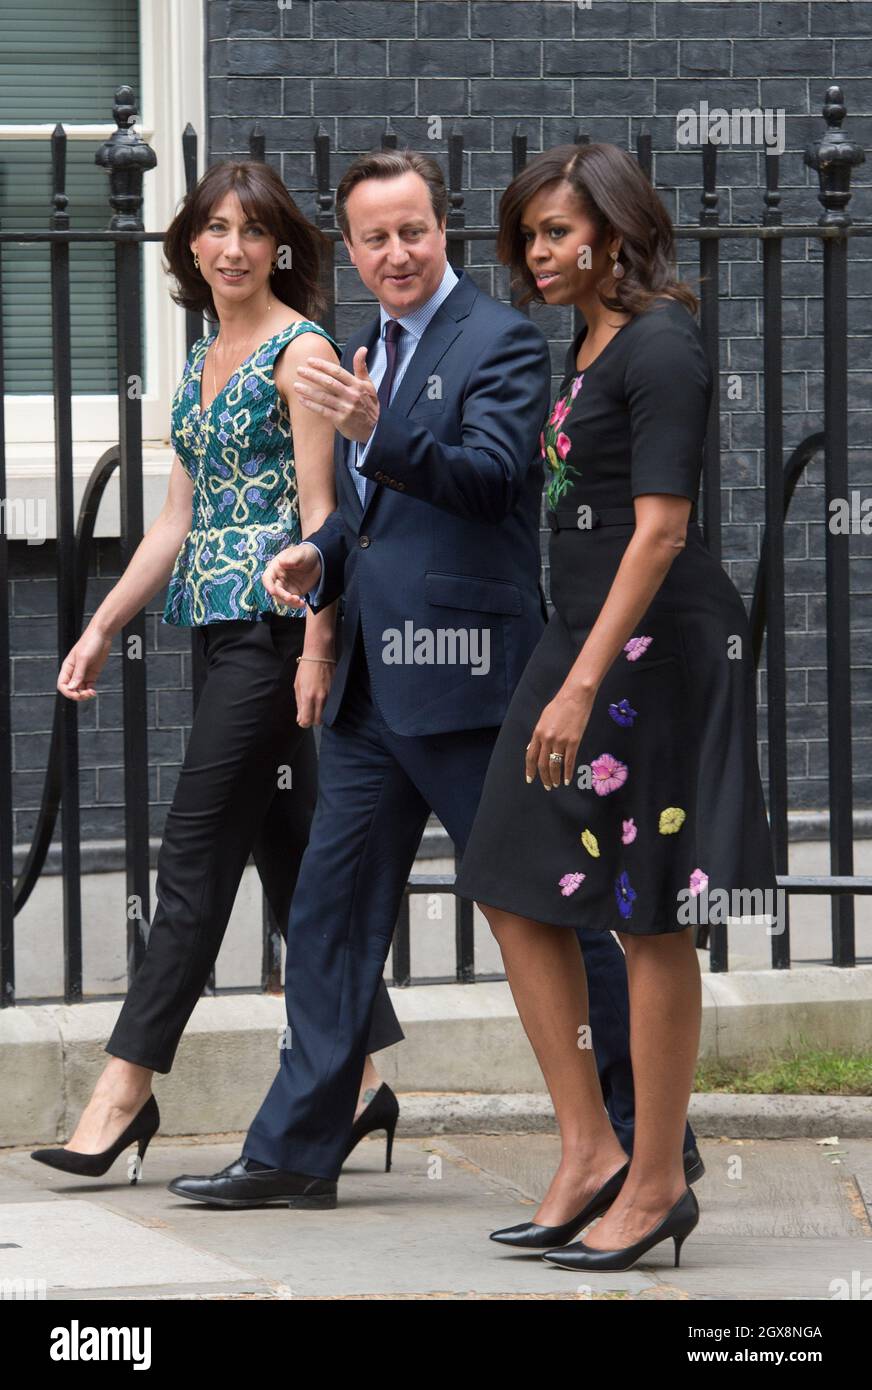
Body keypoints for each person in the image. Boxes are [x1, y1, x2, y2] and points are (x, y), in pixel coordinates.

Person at [166, 147, 704, 1213]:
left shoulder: (498, 340)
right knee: (325, 909)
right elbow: (365, 512)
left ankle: (646, 1141)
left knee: (539, 909)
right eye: (374, 238)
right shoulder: (366, 343)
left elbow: (489, 476)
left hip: (472, 683)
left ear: (440, 230)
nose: (396, 252)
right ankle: (295, 1146)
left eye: (413, 231)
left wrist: (375, 427)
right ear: (353, 250)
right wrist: (318, 558)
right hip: (371, 685)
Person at [30, 160, 401, 1184]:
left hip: (278, 637)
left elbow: (326, 518)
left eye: (251, 230)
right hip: (216, 633)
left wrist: (319, 648)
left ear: (280, 244)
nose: (231, 247)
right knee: (291, 864)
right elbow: (178, 520)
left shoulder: (301, 349)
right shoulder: (200, 358)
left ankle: (120, 1095)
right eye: (212, 229)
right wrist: (104, 624)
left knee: (190, 862)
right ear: (188, 246)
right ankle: (362, 1079)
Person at [454, 143, 780, 1272]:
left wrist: (584, 678)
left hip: (648, 651)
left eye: (553, 233)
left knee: (646, 916)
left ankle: (652, 1180)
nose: (534, 254)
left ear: (612, 228)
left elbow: (658, 528)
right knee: (505, 874)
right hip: (579, 635)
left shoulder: (662, 341)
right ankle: (588, 1148)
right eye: (527, 236)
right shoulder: (585, 344)